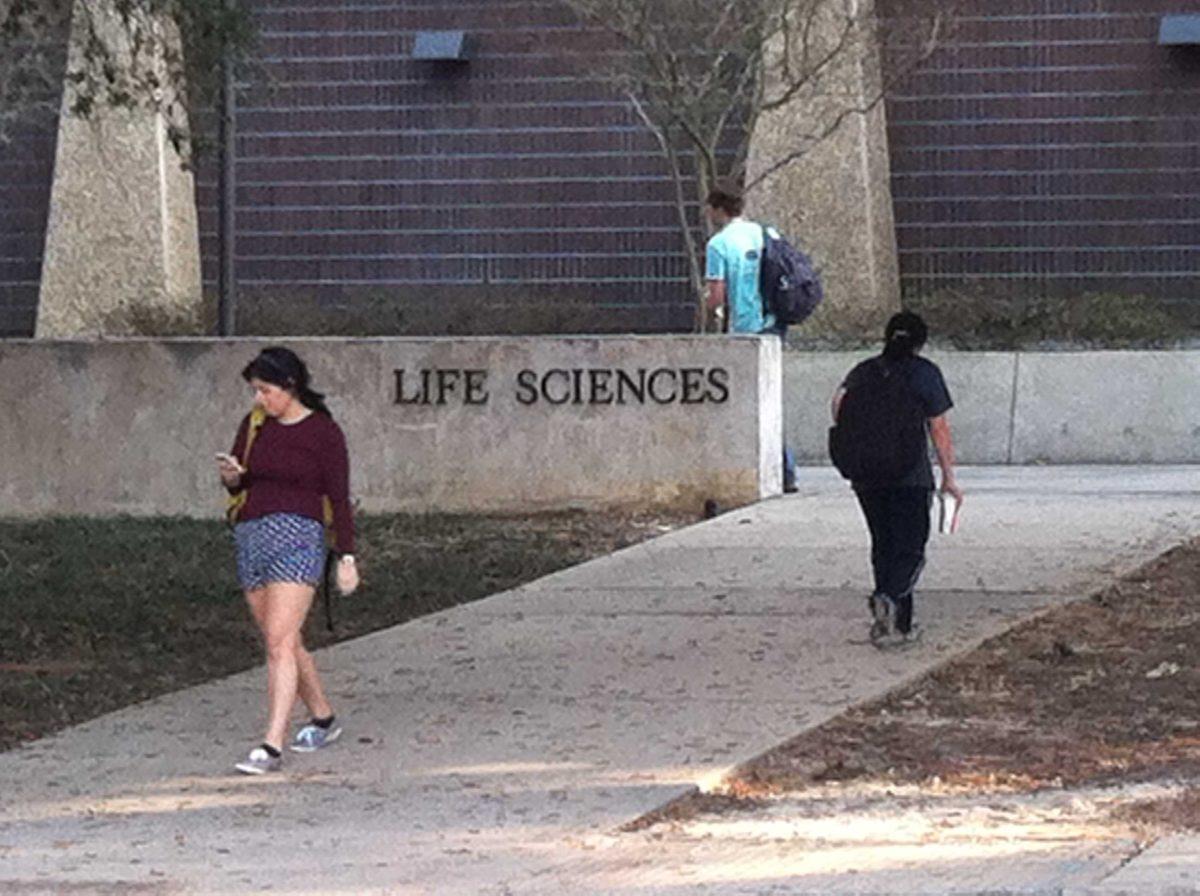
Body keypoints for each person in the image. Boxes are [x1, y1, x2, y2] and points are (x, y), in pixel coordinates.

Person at [217, 347, 359, 774]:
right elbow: (241, 479)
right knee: (285, 639)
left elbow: (339, 495)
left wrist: (347, 554)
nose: (259, 399)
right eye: (255, 391)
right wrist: (231, 478)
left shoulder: (323, 433)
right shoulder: (255, 424)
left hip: (299, 536)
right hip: (252, 535)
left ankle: (271, 744)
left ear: (290, 387)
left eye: (266, 390)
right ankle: (323, 717)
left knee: (278, 642)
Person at [830, 312, 963, 648]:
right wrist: (949, 477)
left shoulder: (863, 371)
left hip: (866, 476)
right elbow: (939, 428)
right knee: (911, 549)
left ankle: (891, 624)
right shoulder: (924, 373)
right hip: (910, 475)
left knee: (884, 544)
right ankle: (889, 600)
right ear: (921, 342)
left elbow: (837, 404)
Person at [703, 186, 798, 492]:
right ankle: (785, 471)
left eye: (709, 208)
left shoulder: (718, 244)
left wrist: (709, 307)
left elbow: (715, 296)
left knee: (744, 402)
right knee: (769, 400)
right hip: (774, 324)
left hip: (744, 329)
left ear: (718, 209)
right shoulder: (765, 233)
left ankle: (747, 469)